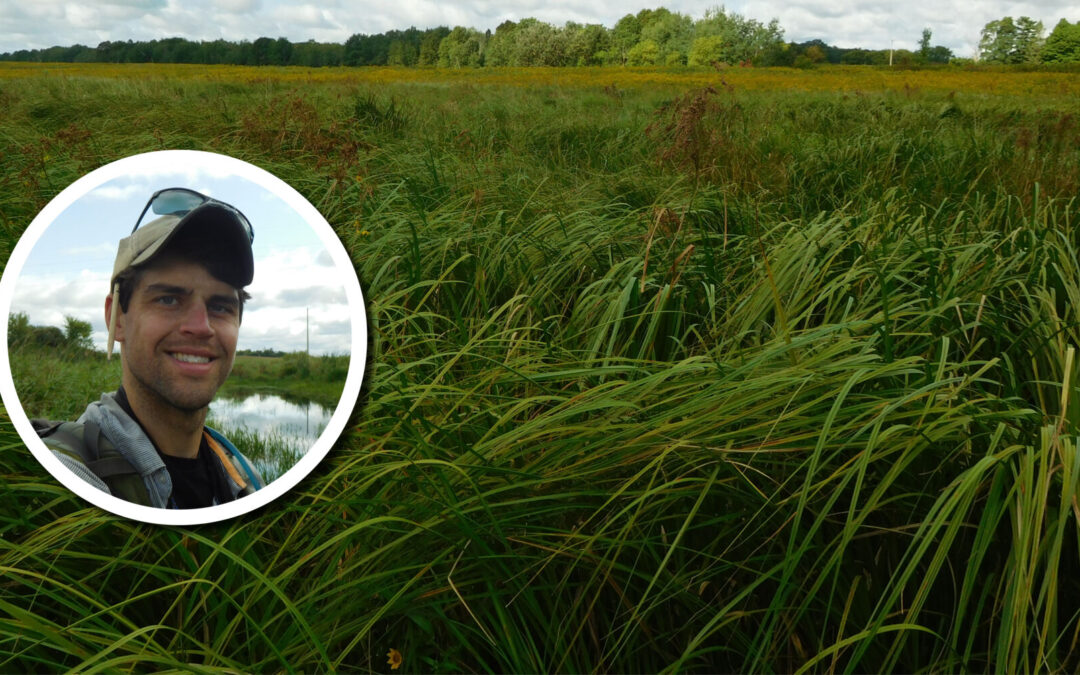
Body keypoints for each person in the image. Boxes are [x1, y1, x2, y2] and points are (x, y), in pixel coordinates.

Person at [36, 187, 264, 509]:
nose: (201, 326)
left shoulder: (243, 475)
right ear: (116, 319)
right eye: (168, 299)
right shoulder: (64, 472)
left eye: (220, 306)